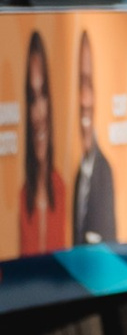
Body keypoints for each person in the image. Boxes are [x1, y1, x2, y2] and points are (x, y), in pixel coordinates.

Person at [18, 28, 67, 255]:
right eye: (31, 98)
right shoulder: (22, 198)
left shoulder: (62, 190)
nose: (38, 113)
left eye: (43, 95)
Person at [69, 30, 117, 244]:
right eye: (79, 86)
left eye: (88, 84)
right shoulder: (78, 173)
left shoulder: (102, 171)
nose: (84, 100)